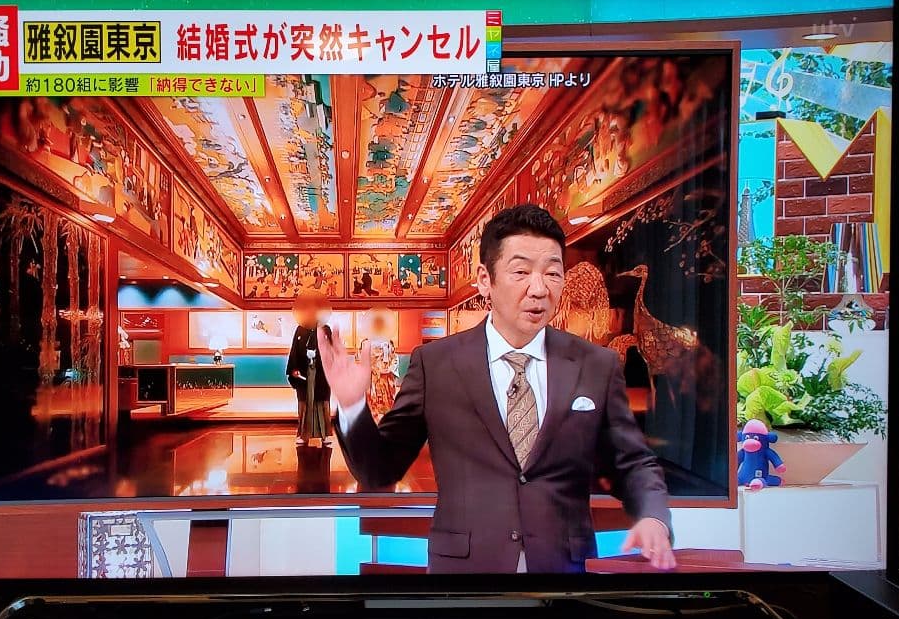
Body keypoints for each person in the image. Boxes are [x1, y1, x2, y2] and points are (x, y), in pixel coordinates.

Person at [319, 204, 675, 574]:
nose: (539, 289)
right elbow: (379, 470)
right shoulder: (436, 365)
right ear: (484, 280)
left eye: (553, 273)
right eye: (521, 272)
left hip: (563, 576)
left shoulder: (596, 364)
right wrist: (351, 404)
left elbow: (633, 462)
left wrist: (653, 517)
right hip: (464, 579)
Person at [288, 294, 333, 448]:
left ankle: (325, 434)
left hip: (321, 373)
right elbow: (294, 351)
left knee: (321, 403)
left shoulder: (326, 329)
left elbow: (330, 351)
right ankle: (303, 434)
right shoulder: (300, 329)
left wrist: (318, 353)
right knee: (304, 404)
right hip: (304, 372)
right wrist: (294, 368)